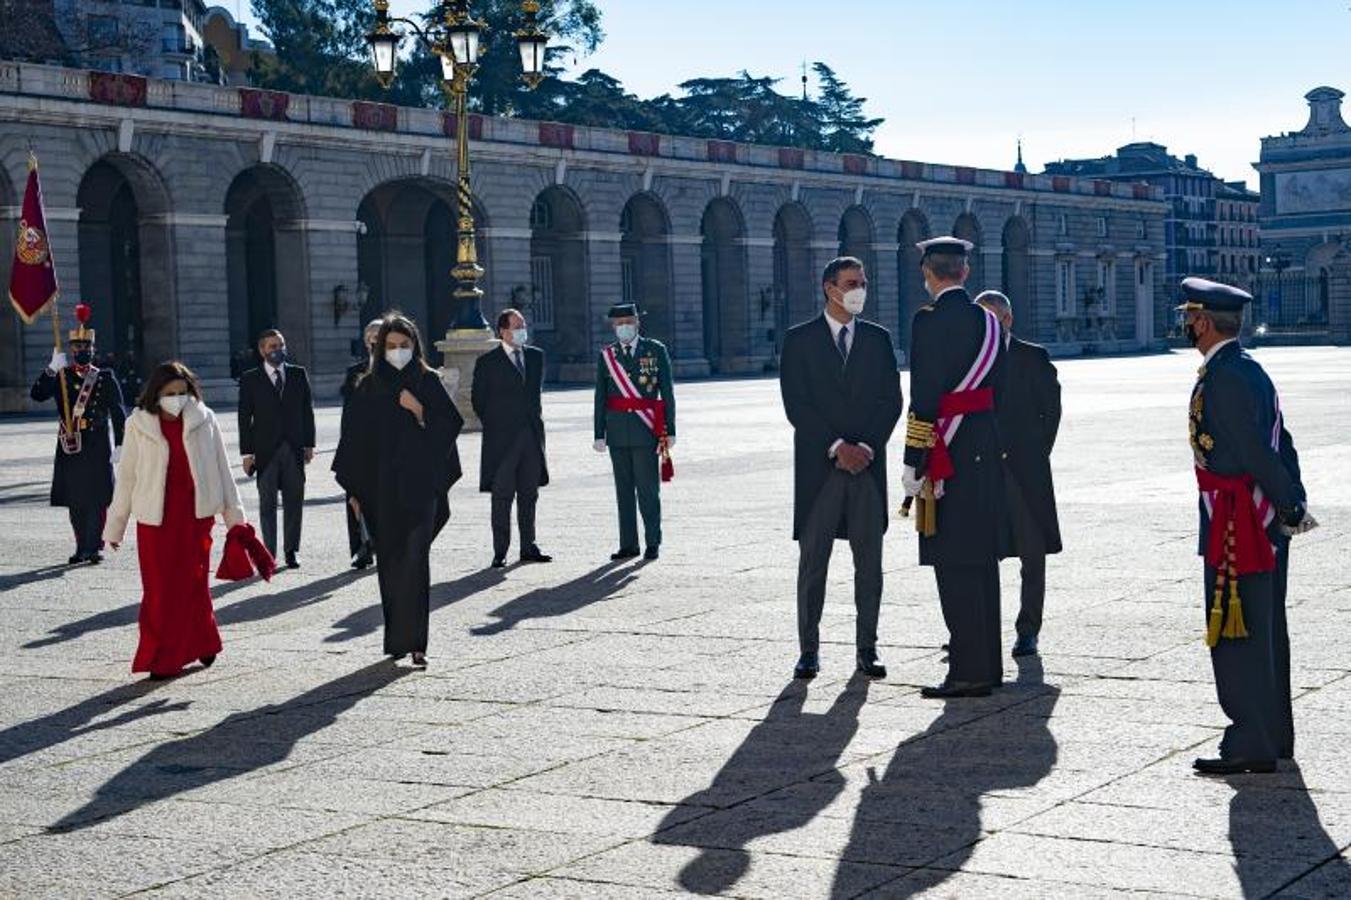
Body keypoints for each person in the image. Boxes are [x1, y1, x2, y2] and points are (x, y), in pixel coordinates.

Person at [1179, 277, 1312, 775]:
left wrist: (1288, 503)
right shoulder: (1246, 369)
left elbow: (1257, 451)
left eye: (1191, 317)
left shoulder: (1226, 377)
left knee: (1239, 632)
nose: (1187, 324)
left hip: (1239, 523)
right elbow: (1283, 442)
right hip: (1255, 516)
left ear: (1205, 322)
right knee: (1264, 628)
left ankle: (1249, 741)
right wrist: (1290, 500)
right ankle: (1271, 734)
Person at [780, 257, 903, 680]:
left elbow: (892, 400)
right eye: (852, 283)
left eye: (864, 282)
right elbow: (798, 404)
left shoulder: (878, 339)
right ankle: (808, 650)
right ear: (829, 288)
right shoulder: (799, 341)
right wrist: (837, 447)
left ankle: (867, 648)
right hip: (821, 469)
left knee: (869, 564)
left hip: (867, 468)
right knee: (814, 564)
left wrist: (865, 446)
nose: (860, 291)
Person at [902, 237, 1008, 699]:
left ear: (928, 272)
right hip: (984, 451)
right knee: (982, 563)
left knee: (953, 563)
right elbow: (1001, 388)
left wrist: (913, 460)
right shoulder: (989, 321)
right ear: (964, 272)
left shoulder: (927, 322)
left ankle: (966, 670)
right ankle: (989, 665)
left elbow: (924, 396)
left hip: (946, 454)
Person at [334, 313, 464, 668]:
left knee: (414, 560)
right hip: (380, 490)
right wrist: (354, 493)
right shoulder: (366, 386)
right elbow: (353, 444)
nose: (398, 351)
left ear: (415, 346)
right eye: (391, 346)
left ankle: (417, 642)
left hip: (421, 488)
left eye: (404, 345)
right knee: (390, 563)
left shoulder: (427, 380)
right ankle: (397, 639)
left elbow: (450, 424)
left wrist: (419, 410)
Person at [103, 362, 247, 680]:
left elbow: (222, 471)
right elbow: (126, 477)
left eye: (183, 392)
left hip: (195, 518)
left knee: (194, 586)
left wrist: (235, 519)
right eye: (170, 393)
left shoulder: (204, 419)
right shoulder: (137, 424)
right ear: (156, 394)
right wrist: (115, 525)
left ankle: (203, 641)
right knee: (159, 591)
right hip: (155, 521)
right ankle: (161, 656)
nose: (178, 399)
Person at [975, 291, 1062, 658]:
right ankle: (974, 630)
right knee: (977, 554)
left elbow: (1051, 412)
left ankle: (1028, 629)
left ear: (1008, 320)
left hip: (1024, 471)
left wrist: (1034, 453)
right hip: (981, 471)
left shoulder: (1032, 357)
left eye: (992, 319)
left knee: (1032, 553)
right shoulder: (970, 359)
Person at [29, 308, 126, 564]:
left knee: (96, 498)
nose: (81, 350)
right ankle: (81, 544)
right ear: (70, 350)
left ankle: (94, 546)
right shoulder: (61, 375)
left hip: (95, 444)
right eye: (77, 346)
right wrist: (50, 369)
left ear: (93, 348)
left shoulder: (104, 377)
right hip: (70, 443)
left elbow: (118, 411)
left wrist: (121, 443)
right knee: (75, 499)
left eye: (86, 346)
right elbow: (36, 395)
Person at [593, 303, 676, 561]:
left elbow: (667, 392)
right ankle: (628, 544)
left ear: (638, 323)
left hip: (645, 430)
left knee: (648, 490)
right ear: (613, 327)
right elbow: (600, 396)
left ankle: (653, 541)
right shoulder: (608, 356)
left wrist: (669, 430)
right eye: (618, 324)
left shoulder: (655, 350)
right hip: (617, 431)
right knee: (624, 491)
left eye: (628, 322)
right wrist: (599, 432)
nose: (623, 327)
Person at [472, 308, 551, 568]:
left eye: (523, 325)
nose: (521, 331)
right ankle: (500, 550)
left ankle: (529, 546)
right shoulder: (487, 362)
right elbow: (478, 401)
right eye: (516, 327)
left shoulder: (536, 357)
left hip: (530, 437)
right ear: (503, 331)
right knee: (502, 496)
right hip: (502, 440)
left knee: (529, 495)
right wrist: (497, 424)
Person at [237, 329, 316, 568]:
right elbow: (244, 417)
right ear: (262, 350)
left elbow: (307, 411)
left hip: (293, 448)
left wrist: (309, 444)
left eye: (280, 345)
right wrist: (247, 453)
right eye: (272, 346)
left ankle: (292, 551)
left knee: (294, 501)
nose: (277, 350)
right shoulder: (250, 378)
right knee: (267, 504)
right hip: (265, 450)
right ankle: (268, 554)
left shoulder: (298, 374)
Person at [341, 319, 383, 570]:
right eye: (372, 337)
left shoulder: (399, 369)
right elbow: (348, 413)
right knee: (355, 495)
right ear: (366, 341)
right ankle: (361, 548)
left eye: (381, 336)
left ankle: (383, 544)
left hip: (388, 444)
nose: (376, 341)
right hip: (361, 443)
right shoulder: (354, 372)